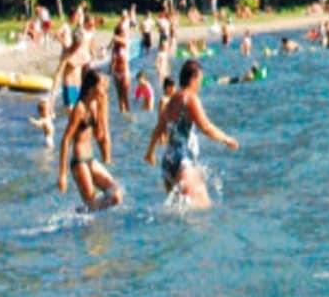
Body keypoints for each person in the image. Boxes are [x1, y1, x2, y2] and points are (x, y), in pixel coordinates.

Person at [143, 59, 238, 207]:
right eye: (200, 80)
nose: (200, 85)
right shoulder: (190, 98)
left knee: (178, 211)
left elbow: (159, 128)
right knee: (204, 208)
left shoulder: (172, 100)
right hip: (183, 161)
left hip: (168, 163)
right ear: (193, 78)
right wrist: (226, 139)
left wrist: (150, 152)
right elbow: (206, 127)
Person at [57, 70, 124, 210]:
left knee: (116, 194)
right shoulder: (79, 109)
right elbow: (65, 140)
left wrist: (102, 111)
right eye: (102, 85)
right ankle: (81, 213)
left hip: (91, 159)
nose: (105, 89)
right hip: (79, 162)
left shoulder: (95, 105)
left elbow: (99, 135)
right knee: (92, 205)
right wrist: (62, 174)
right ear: (91, 87)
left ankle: (80, 211)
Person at [54, 24, 91, 116]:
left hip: (80, 88)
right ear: (73, 40)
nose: (77, 47)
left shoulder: (83, 54)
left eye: (79, 44)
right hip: (69, 88)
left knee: (81, 118)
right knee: (72, 117)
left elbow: (88, 73)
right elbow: (58, 75)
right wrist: (52, 98)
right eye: (76, 44)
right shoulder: (66, 53)